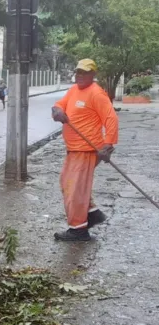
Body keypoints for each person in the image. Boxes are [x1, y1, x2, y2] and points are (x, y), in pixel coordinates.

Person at [51, 58, 119, 242]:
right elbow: (60, 104)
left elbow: (111, 119)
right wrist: (57, 111)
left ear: (93, 74)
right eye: (78, 72)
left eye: (85, 72)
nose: (80, 75)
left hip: (87, 149)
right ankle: (92, 213)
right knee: (69, 183)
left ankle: (78, 230)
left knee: (74, 189)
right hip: (73, 149)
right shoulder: (74, 90)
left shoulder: (96, 93)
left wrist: (108, 144)